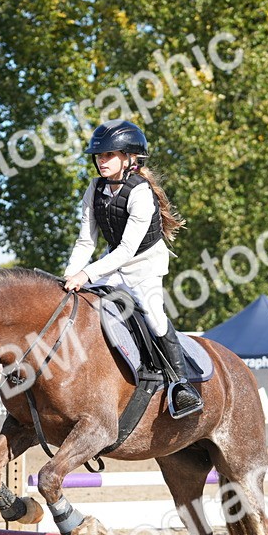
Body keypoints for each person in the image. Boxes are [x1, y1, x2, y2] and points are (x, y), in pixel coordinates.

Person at [61, 119, 202, 419]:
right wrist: (70, 274)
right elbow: (86, 240)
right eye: (99, 155)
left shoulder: (141, 193)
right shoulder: (94, 188)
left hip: (144, 265)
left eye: (109, 154)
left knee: (154, 315)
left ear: (129, 158)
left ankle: (181, 384)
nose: (101, 160)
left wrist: (86, 274)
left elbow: (127, 251)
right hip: (112, 261)